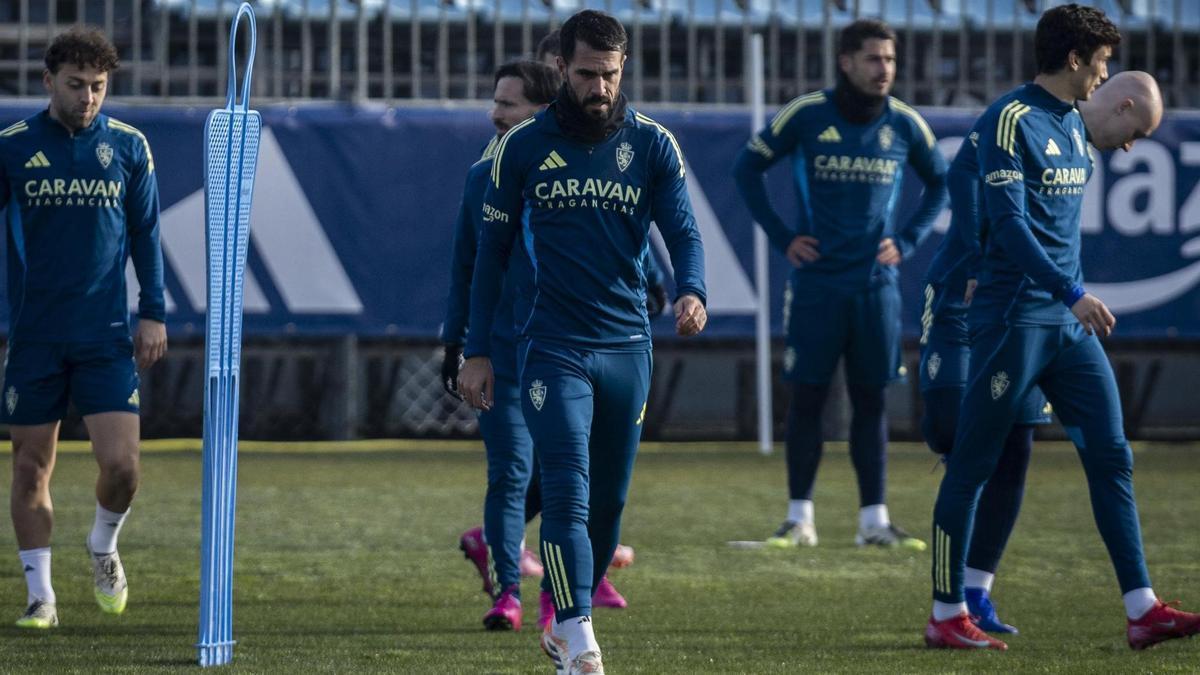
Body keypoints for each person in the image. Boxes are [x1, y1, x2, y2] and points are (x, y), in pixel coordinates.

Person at [925, 4, 1200, 651]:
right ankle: (944, 612)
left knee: (1112, 453)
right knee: (970, 464)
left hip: (1066, 330)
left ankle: (1142, 607)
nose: (1104, 76)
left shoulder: (1075, 127)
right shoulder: (1009, 120)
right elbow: (1011, 225)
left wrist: (1069, 300)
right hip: (1014, 321)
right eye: (1101, 63)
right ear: (1075, 60)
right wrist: (1070, 291)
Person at [458, 10, 707, 673]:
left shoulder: (653, 144)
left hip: (628, 346)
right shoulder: (522, 147)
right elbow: (489, 256)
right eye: (588, 73)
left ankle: (569, 611)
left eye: (611, 74)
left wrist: (693, 289)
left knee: (607, 500)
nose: (600, 87)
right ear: (562, 68)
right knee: (565, 486)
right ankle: (573, 631)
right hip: (553, 345)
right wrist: (476, 349)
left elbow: (682, 229)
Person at [732, 18, 947, 550]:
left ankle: (873, 521)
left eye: (891, 60)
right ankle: (798, 519)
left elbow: (944, 181)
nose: (884, 70)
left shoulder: (905, 123)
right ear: (846, 62)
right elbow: (746, 169)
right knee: (807, 398)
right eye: (874, 59)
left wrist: (911, 237)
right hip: (816, 286)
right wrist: (785, 238)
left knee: (872, 400)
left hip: (876, 287)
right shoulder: (806, 114)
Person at [444, 58, 638, 633]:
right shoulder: (484, 178)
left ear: (540, 111)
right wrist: (456, 346)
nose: (494, 114)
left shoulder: (583, 171)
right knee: (511, 471)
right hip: (504, 353)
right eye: (495, 102)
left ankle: (563, 593)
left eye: (508, 104)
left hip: (564, 351)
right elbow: (465, 269)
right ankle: (509, 593)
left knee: (568, 474)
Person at [0, 26, 166, 629]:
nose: (88, 97)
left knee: (123, 467)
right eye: (76, 85)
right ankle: (41, 596)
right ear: (48, 82)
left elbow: (147, 233)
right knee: (29, 467)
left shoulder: (127, 145)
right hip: (34, 334)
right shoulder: (13, 145)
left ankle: (102, 545)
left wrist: (154, 310)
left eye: (98, 87)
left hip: (105, 334)